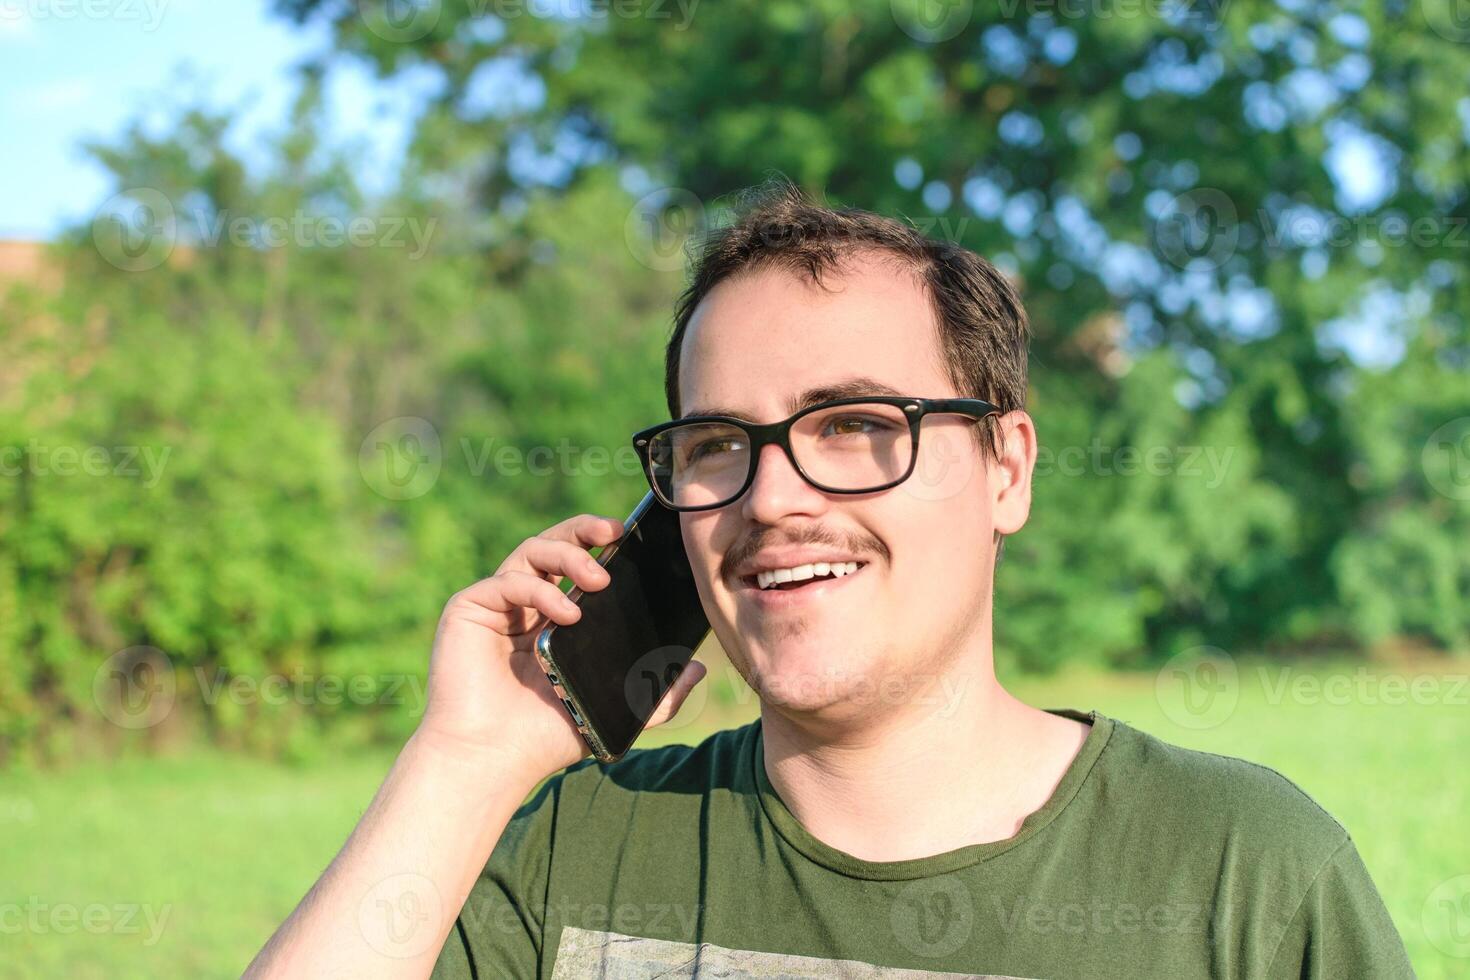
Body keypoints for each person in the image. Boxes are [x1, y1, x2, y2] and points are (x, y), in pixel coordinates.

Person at [246, 182, 1414, 978]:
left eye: (854, 422)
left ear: (1005, 466)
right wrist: (466, 760)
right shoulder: (569, 852)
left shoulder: (1243, 869)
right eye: (716, 444)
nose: (770, 499)